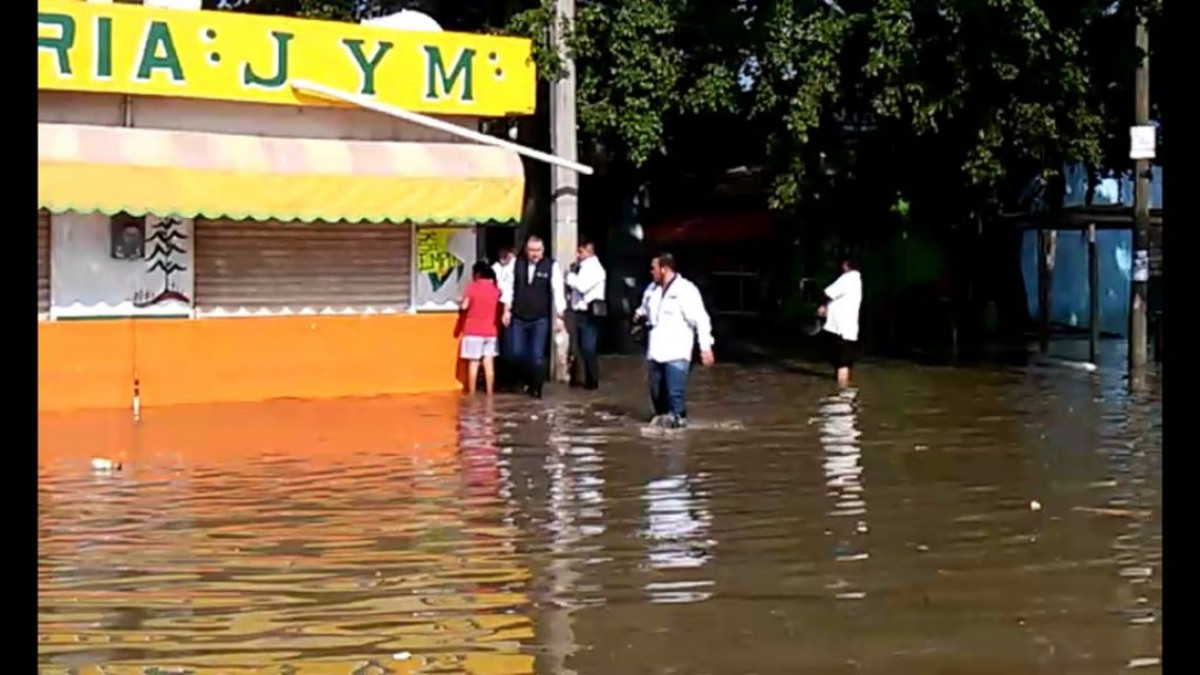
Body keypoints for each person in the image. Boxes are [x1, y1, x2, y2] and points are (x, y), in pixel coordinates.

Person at [633, 253, 715, 429]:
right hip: (655, 352)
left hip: (677, 352)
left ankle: (678, 432)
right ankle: (661, 438)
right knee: (657, 396)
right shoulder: (651, 290)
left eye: (653, 268)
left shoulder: (685, 290)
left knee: (674, 395)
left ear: (664, 269)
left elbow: (700, 319)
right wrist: (638, 317)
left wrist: (705, 347)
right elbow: (644, 309)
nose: (651, 272)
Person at [500, 236, 567, 398]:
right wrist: (506, 310)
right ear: (526, 250)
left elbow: (558, 291)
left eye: (538, 250)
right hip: (518, 316)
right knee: (516, 352)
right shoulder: (516, 264)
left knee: (537, 356)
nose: (535, 254)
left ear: (543, 250)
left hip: (540, 318)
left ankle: (536, 388)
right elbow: (508, 288)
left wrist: (560, 316)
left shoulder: (551, 266)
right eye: (532, 250)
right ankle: (525, 380)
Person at [566, 240, 607, 389]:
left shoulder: (595, 268)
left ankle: (592, 380)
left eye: (580, 252)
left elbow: (582, 286)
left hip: (589, 313)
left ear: (588, 251)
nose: (577, 255)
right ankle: (582, 378)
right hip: (579, 312)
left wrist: (570, 277)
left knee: (588, 347)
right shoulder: (581, 267)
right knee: (580, 347)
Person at [817, 256, 863, 387]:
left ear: (846, 265)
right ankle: (844, 392)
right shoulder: (856, 280)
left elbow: (829, 292)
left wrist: (822, 305)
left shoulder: (848, 278)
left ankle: (841, 392)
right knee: (844, 362)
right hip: (848, 329)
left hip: (840, 329)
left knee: (841, 361)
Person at [459, 261, 502, 396]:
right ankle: (490, 394)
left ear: (477, 274)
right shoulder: (496, 289)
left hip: (473, 331)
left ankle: (472, 394)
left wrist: (460, 302)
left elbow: (464, 306)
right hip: (491, 332)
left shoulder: (472, 287)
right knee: (489, 363)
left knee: (474, 363)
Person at [491, 246, 517, 387]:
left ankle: (510, 378)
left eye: (506, 253)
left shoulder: (515, 267)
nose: (503, 256)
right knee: (499, 342)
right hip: (497, 307)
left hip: (511, 308)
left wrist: (507, 310)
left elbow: (508, 290)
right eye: (501, 253)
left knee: (510, 345)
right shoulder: (496, 267)